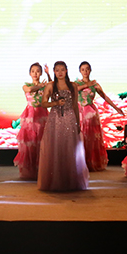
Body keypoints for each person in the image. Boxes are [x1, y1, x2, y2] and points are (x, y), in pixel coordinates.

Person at [37, 61, 89, 191]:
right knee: (55, 148)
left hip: (70, 118)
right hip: (55, 119)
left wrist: (77, 123)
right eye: (57, 70)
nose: (60, 72)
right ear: (54, 72)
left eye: (62, 70)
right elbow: (43, 103)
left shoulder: (73, 85)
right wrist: (55, 103)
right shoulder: (50, 85)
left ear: (66, 71)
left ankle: (70, 180)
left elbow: (75, 105)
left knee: (70, 148)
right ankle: (55, 180)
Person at [74, 61, 124, 171]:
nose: (85, 71)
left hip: (91, 113)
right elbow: (74, 90)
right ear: (80, 71)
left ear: (90, 70)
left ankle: (91, 162)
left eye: (87, 69)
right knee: (80, 136)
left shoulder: (95, 84)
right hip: (79, 112)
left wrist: (116, 108)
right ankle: (80, 163)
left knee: (91, 138)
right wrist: (87, 85)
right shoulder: (77, 83)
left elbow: (104, 96)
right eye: (83, 69)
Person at [14, 63, 51, 180]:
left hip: (42, 114)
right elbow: (29, 90)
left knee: (42, 142)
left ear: (41, 73)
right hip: (30, 115)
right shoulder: (26, 86)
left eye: (38, 71)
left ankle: (42, 170)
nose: (35, 73)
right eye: (33, 71)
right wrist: (40, 86)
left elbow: (52, 87)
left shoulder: (45, 86)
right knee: (30, 143)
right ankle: (30, 170)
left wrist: (48, 75)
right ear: (30, 73)